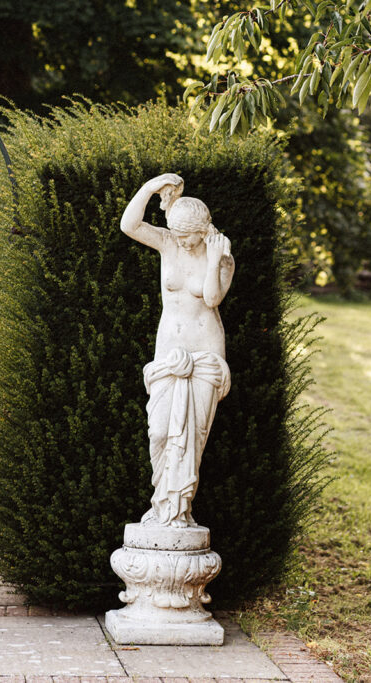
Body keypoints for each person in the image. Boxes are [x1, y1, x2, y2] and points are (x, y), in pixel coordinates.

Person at [119, 174, 235, 528]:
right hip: (169, 355)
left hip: (205, 357)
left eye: (188, 236)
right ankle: (160, 507)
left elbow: (213, 298)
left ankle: (179, 510)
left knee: (192, 441)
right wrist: (152, 187)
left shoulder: (222, 255)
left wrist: (215, 259)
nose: (182, 242)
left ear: (204, 230)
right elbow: (130, 225)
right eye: (177, 234)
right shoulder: (168, 244)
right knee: (159, 432)